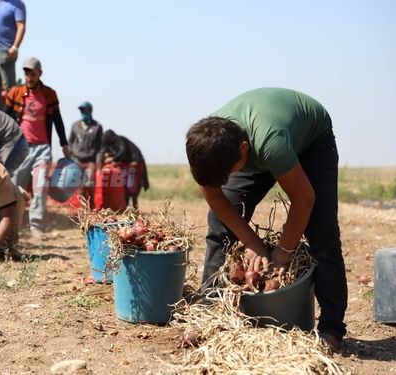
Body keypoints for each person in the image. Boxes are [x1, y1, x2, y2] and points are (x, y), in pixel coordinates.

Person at [185, 87, 347, 351]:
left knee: (321, 231)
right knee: (219, 227)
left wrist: (284, 251)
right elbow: (216, 199)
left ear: (244, 149)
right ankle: (209, 311)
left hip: (310, 140)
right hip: (261, 144)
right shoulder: (206, 148)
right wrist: (252, 242)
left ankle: (332, 329)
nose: (224, 182)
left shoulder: (270, 144)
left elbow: (304, 199)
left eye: (227, 175)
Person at [5, 56, 71, 237]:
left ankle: (36, 226)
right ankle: (12, 224)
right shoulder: (16, 93)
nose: (29, 77)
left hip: (42, 149)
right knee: (15, 187)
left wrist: (64, 144)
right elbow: (6, 118)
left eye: (32, 73)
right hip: (21, 148)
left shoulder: (49, 94)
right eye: (26, 73)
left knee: (40, 187)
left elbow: (57, 120)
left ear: (39, 73)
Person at [96, 130, 150, 209]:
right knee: (125, 188)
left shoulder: (119, 141)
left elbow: (122, 152)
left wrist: (112, 158)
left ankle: (135, 209)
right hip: (127, 166)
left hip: (135, 164)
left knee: (132, 188)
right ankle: (127, 208)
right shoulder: (111, 145)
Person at [68, 101, 103, 206]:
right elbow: (70, 142)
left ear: (90, 111)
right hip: (78, 160)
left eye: (85, 110)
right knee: (81, 186)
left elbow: (100, 147)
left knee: (90, 185)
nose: (83, 112)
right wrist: (71, 157)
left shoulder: (97, 127)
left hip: (90, 161)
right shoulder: (75, 125)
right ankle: (84, 210)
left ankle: (91, 206)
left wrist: (98, 162)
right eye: (81, 110)